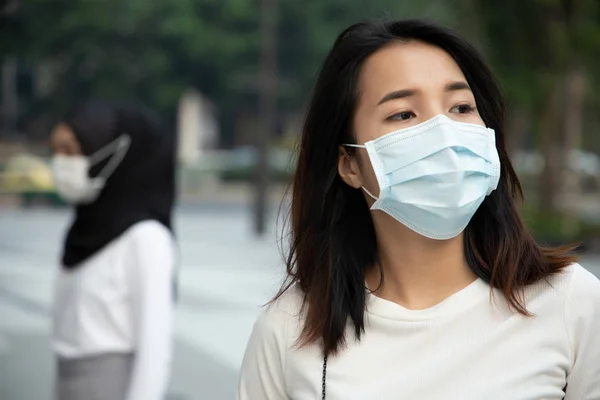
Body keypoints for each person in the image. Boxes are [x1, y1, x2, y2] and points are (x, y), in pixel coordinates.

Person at [238, 19, 600, 400]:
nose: (443, 132)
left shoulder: (571, 304)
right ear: (349, 164)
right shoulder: (291, 330)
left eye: (461, 107)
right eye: (403, 114)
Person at [50, 99, 177, 400]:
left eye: (71, 150)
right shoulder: (84, 229)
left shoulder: (146, 238)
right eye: (55, 151)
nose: (61, 162)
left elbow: (155, 350)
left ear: (114, 154)